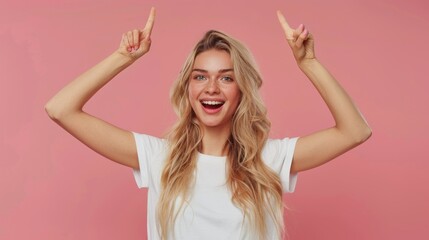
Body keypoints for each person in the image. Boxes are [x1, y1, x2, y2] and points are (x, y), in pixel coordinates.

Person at [45, 7, 371, 240]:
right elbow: (61, 109)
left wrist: (309, 64)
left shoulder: (269, 160)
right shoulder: (159, 158)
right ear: (188, 89)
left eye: (226, 78)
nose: (211, 88)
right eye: (200, 77)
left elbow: (355, 131)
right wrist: (123, 57)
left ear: (242, 89)